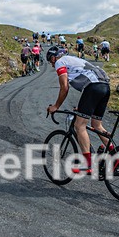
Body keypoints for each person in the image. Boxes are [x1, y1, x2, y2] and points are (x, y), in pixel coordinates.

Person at [45, 46, 112, 174]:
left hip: (93, 87)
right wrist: (82, 108)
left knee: (79, 126)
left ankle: (88, 165)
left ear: (54, 57)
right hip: (105, 86)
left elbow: (64, 87)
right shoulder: (74, 59)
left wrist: (56, 106)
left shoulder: (60, 62)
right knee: (97, 125)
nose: (52, 65)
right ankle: (114, 154)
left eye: (50, 61)